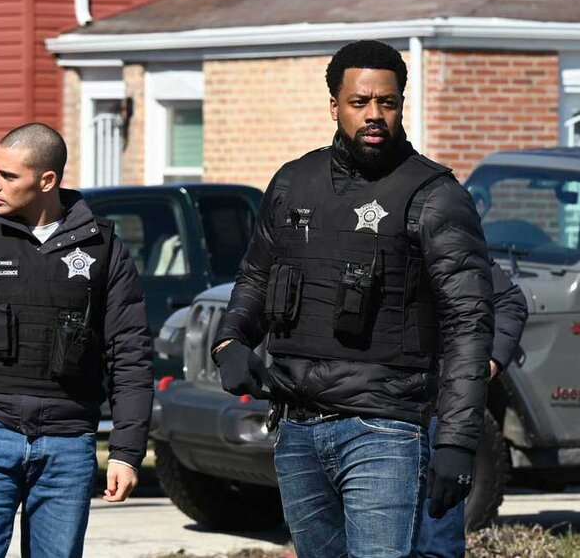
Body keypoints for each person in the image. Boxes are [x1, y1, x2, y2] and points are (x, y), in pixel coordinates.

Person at [211, 40, 494, 557]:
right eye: (360, 102)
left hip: (384, 428)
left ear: (401, 104)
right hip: (296, 426)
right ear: (335, 106)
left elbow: (468, 322)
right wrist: (229, 342)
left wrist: (456, 440)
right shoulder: (293, 182)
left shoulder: (435, 194)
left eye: (387, 102)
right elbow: (254, 277)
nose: (374, 115)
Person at [0, 123, 153, 558]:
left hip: (69, 444)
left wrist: (126, 452)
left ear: (47, 180)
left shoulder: (103, 247)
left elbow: (130, 354)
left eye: (8, 175)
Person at [416, 260, 528, 557]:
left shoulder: (441, 236)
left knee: (435, 545)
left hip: (436, 413)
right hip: (365, 414)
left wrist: (483, 367)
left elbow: (509, 302)